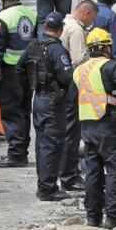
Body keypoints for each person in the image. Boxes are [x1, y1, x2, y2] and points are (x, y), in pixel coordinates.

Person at [74, 27, 116, 228]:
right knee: (115, 171)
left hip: (87, 125)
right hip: (107, 125)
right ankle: (113, 217)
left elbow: (72, 99)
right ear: (106, 48)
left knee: (92, 172)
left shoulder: (79, 70)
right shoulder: (110, 67)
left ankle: (92, 217)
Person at [0, 0, 38, 169]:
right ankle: (21, 151)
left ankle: (16, 154)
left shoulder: (1, 19)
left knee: (11, 112)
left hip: (9, 71)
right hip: (28, 71)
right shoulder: (30, 14)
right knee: (24, 110)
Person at [25, 11, 74, 201]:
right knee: (51, 145)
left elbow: (21, 68)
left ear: (45, 27)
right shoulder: (57, 50)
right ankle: (48, 188)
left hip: (39, 99)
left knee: (42, 144)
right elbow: (67, 77)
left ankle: (44, 185)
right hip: (54, 102)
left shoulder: (34, 45)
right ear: (61, 29)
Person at [60, 0, 97, 192]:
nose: (92, 23)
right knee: (72, 132)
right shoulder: (76, 30)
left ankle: (65, 171)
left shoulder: (65, 24)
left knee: (66, 131)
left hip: (62, 85)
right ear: (86, 12)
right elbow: (79, 60)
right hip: (72, 86)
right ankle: (69, 175)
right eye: (92, 18)